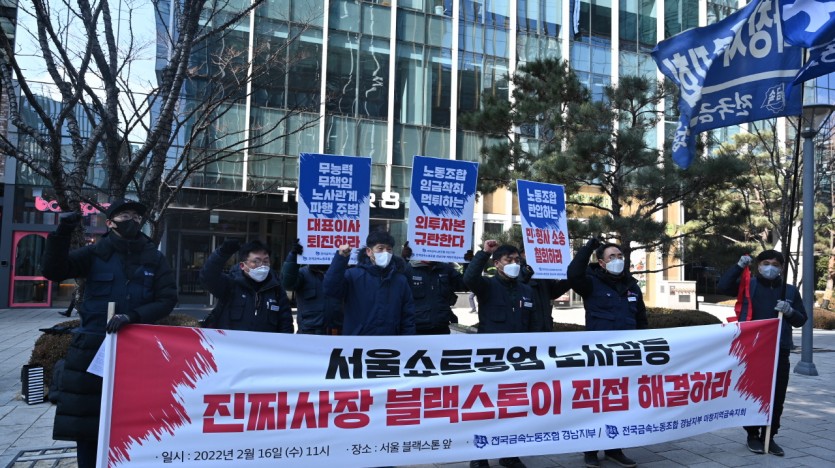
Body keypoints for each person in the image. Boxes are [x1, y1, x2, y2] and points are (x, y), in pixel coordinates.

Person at [41, 199, 177, 468]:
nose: (132, 220)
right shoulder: (95, 253)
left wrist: (133, 317)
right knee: (89, 424)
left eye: (136, 216)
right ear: (110, 222)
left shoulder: (154, 257)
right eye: (125, 215)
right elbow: (53, 270)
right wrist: (62, 232)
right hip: (92, 350)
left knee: (136, 421)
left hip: (138, 349)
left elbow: (167, 299)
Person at [717, 250, 806, 456]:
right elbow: (723, 287)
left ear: (781, 268)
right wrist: (739, 266)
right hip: (753, 350)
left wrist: (790, 311)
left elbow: (801, 320)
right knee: (753, 393)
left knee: (776, 396)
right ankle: (752, 435)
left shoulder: (790, 291)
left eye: (775, 264)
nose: (770, 268)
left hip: (779, 349)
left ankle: (769, 436)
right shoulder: (749, 285)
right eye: (766, 263)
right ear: (758, 266)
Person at [567, 237, 645, 468]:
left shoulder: (632, 286)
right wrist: (588, 247)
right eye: (612, 257)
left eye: (620, 256)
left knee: (619, 402)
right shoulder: (591, 283)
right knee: (596, 402)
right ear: (601, 262)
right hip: (598, 356)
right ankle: (590, 449)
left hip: (625, 356)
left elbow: (641, 320)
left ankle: (614, 448)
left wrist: (644, 347)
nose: (617, 260)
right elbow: (573, 274)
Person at [463, 240, 540, 468]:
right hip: (491, 359)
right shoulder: (487, 286)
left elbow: (534, 324)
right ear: (497, 263)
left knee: (514, 408)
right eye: (509, 260)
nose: (514, 264)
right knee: (486, 408)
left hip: (518, 361)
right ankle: (480, 456)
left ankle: (509, 454)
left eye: (517, 260)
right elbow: (469, 278)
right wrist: (484, 253)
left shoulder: (526, 290)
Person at [323, 230, 415, 335]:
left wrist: (407, 340)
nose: (385, 253)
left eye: (389, 249)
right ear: (369, 251)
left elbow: (408, 316)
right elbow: (330, 289)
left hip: (390, 340)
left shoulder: (400, 280)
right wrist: (340, 259)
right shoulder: (353, 276)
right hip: (358, 340)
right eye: (380, 248)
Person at [199, 239, 294, 333]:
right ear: (242, 265)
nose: (262, 266)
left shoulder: (276, 289)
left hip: (265, 342)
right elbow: (207, 277)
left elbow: (285, 322)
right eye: (256, 261)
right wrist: (222, 253)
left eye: (266, 261)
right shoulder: (230, 284)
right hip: (231, 342)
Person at [401, 241, 468, 334]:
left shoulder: (446, 269)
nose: (430, 251)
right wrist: (403, 259)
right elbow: (394, 286)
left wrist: (468, 262)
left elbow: (465, 285)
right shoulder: (408, 269)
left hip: (442, 328)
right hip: (415, 329)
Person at [281, 239, 343, 334]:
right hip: (309, 334)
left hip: (336, 333)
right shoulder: (303, 273)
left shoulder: (342, 274)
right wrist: (293, 257)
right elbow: (287, 284)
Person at [520, 255, 571, 332]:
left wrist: (569, 278)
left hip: (546, 329)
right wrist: (527, 272)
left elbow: (554, 292)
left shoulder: (544, 274)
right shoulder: (517, 273)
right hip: (527, 332)